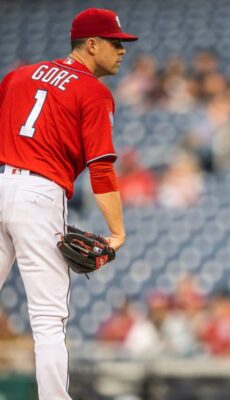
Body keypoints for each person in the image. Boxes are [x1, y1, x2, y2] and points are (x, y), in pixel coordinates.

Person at [0, 8, 138, 399]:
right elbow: (102, 170)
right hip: (39, 194)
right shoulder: (94, 91)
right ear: (91, 45)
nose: (121, 51)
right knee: (48, 320)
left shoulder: (18, 75)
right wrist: (117, 231)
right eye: (115, 43)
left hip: (1, 180)